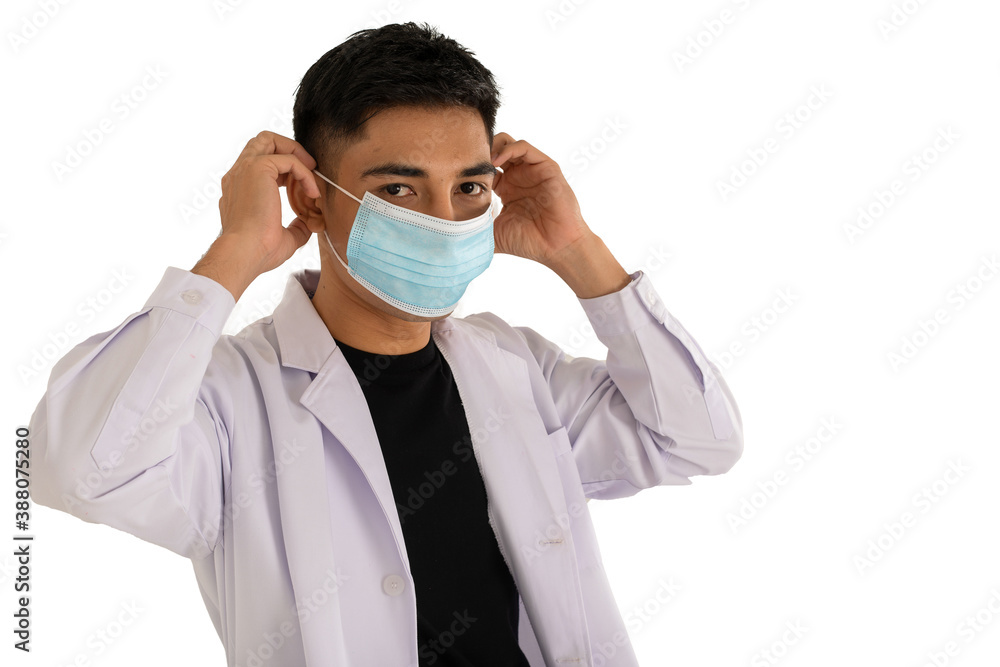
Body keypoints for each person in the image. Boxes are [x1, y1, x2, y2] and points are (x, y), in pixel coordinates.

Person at [28, 21, 743, 667]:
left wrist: (578, 249)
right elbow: (82, 469)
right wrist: (236, 251)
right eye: (400, 189)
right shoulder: (228, 398)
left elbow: (698, 437)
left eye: (468, 186)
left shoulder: (516, 368)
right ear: (312, 194)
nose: (444, 217)